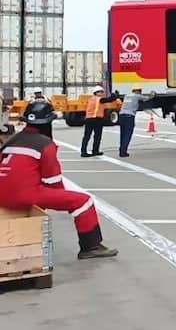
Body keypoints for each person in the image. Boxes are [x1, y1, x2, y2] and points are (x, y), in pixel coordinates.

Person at [0, 101, 118, 259]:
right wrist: (58, 202)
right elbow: (53, 181)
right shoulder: (45, 144)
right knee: (83, 202)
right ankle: (91, 247)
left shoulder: (12, 141)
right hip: (24, 195)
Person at [80, 86, 120, 158]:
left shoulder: (91, 99)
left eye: (102, 92)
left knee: (88, 136)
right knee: (96, 136)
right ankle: (93, 151)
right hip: (95, 119)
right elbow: (110, 99)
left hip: (90, 119)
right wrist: (115, 95)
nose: (101, 93)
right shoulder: (99, 99)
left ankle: (86, 151)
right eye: (99, 92)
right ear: (96, 93)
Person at [118, 87, 155, 157]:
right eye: (140, 91)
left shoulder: (127, 95)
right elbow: (148, 98)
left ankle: (121, 150)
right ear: (138, 91)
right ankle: (123, 152)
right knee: (128, 134)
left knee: (122, 134)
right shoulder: (137, 96)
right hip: (129, 116)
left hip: (122, 115)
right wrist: (152, 94)